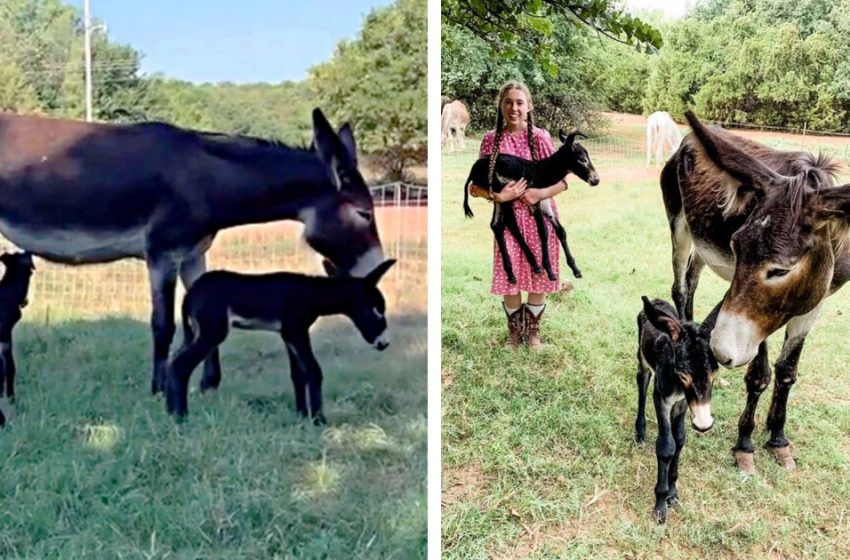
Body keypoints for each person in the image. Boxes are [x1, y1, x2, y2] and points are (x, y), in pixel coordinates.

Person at [469, 80, 569, 350]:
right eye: (508, 102)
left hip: (539, 220)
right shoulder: (491, 140)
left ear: (529, 106)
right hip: (508, 221)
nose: (514, 107)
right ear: (501, 106)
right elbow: (475, 187)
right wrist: (498, 196)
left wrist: (539, 194)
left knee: (539, 274)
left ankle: (533, 332)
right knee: (509, 272)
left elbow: (563, 182)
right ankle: (514, 332)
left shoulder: (540, 138)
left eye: (519, 102)